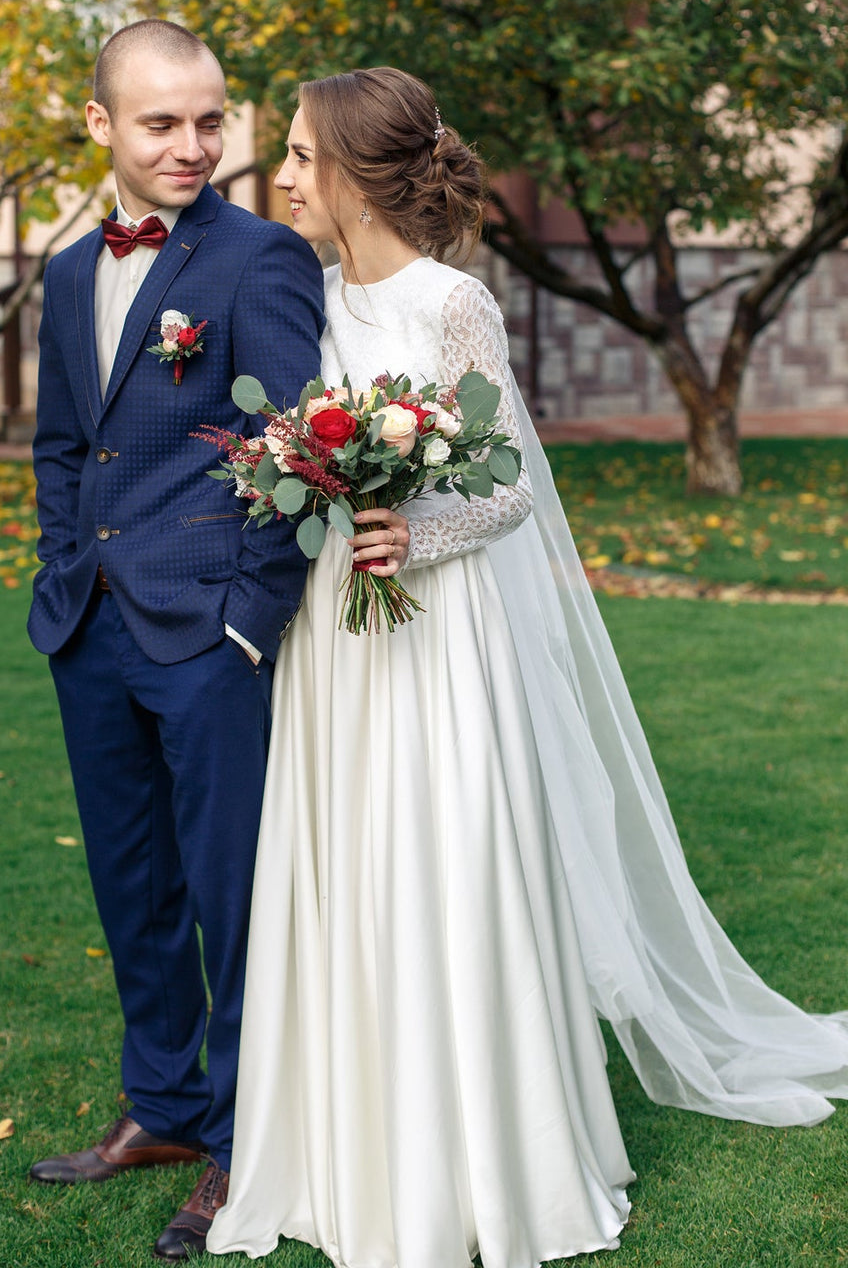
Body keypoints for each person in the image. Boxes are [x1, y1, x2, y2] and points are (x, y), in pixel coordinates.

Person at [207, 67, 848, 1268]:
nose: (280, 176)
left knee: (443, 867)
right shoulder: (298, 298)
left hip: (440, 643)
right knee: (343, 869)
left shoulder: (454, 306)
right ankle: (342, 1152)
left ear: (351, 170)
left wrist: (415, 531)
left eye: (297, 154)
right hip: (331, 651)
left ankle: (482, 1159)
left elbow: (499, 485)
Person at [25, 19, 325, 1261]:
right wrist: (58, 573)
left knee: (232, 897)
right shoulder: (60, 269)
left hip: (210, 639)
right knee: (131, 887)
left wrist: (250, 625)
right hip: (90, 627)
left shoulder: (262, 260)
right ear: (101, 126)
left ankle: (243, 1150)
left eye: (212, 120)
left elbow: (303, 450)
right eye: (161, 122)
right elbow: (61, 443)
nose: (194, 145)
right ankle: (164, 1107)